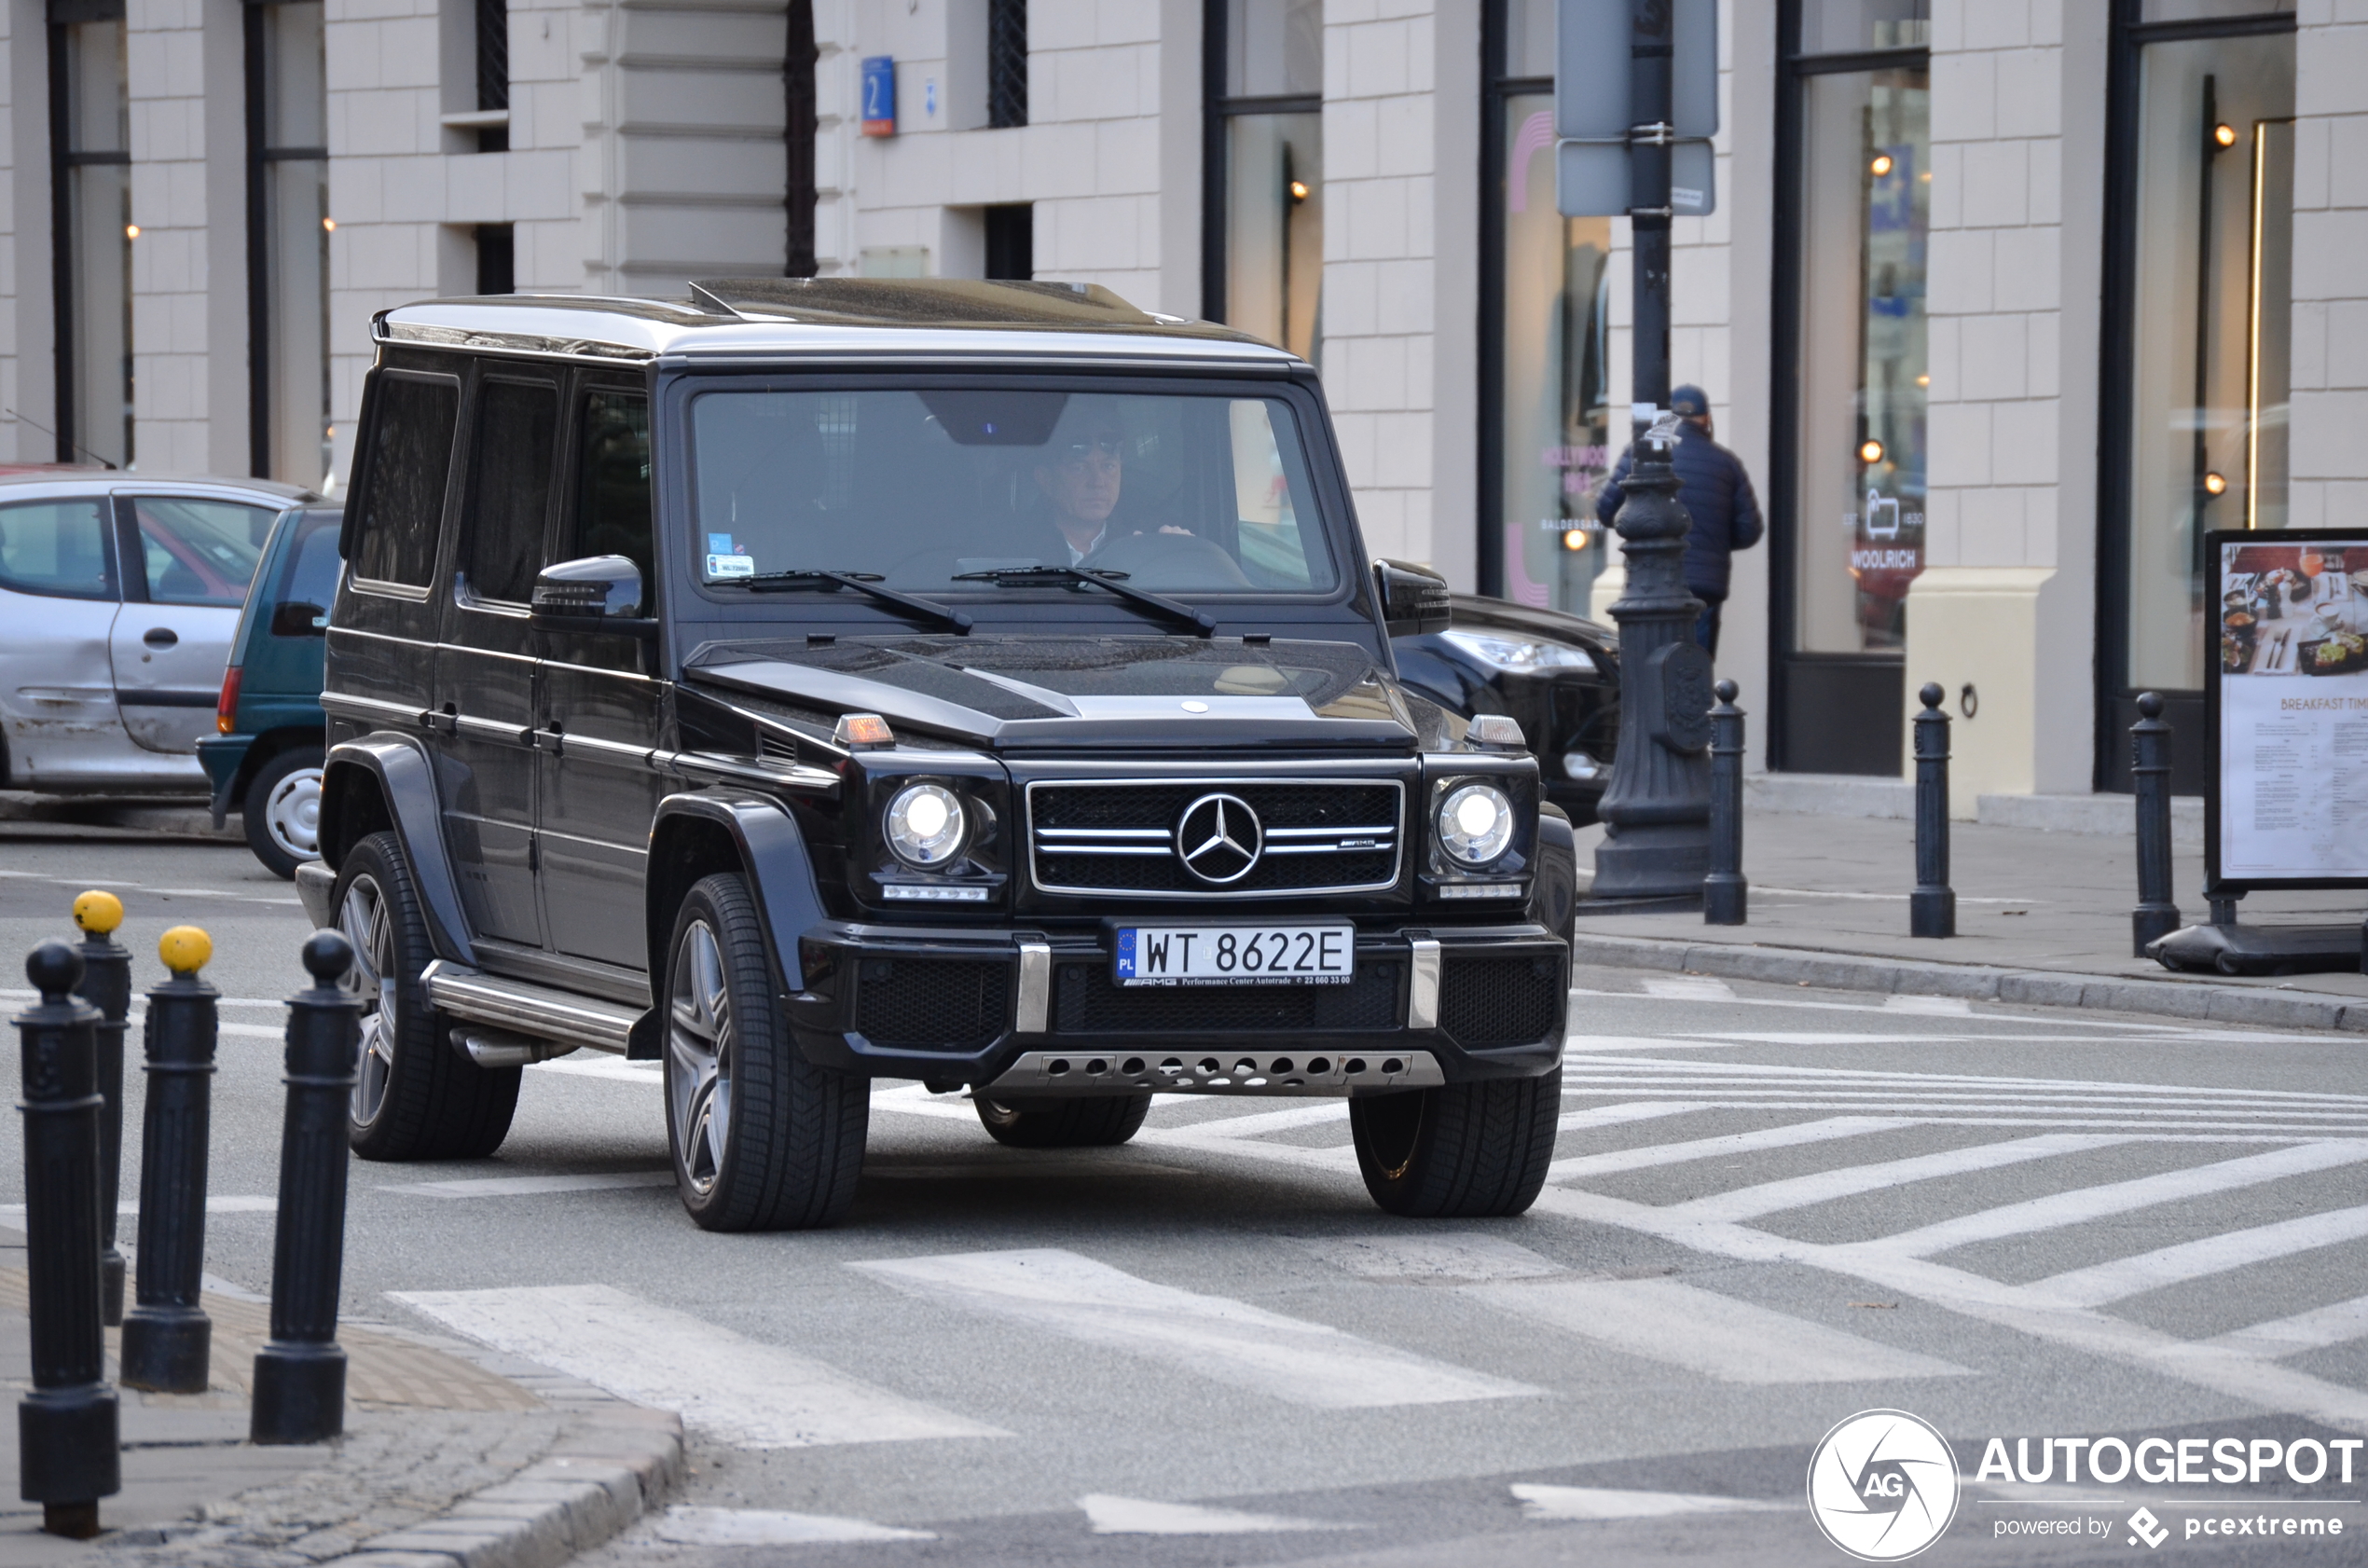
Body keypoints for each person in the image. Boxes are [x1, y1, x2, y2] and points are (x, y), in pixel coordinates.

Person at [1592, 384, 1764, 657]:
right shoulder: (1726, 463)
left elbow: (1605, 511)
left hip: (1651, 582)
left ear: (1667, 418)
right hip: (1704, 586)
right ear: (1706, 419)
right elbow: (1749, 530)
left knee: (1650, 664)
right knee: (1695, 667)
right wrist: (1714, 538)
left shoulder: (1640, 453)